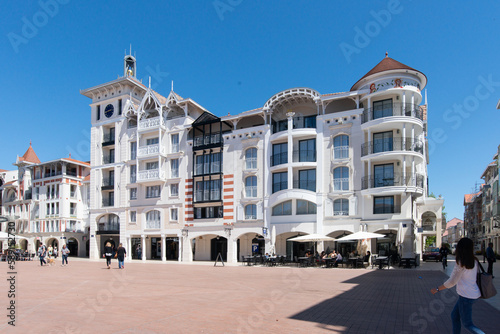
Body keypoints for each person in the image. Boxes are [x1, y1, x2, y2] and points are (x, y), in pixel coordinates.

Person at [431, 238, 484, 334]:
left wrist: (438, 289)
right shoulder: (474, 260)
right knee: (454, 316)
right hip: (472, 294)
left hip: (466, 296)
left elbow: (452, 282)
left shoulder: (461, 262)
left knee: (468, 324)